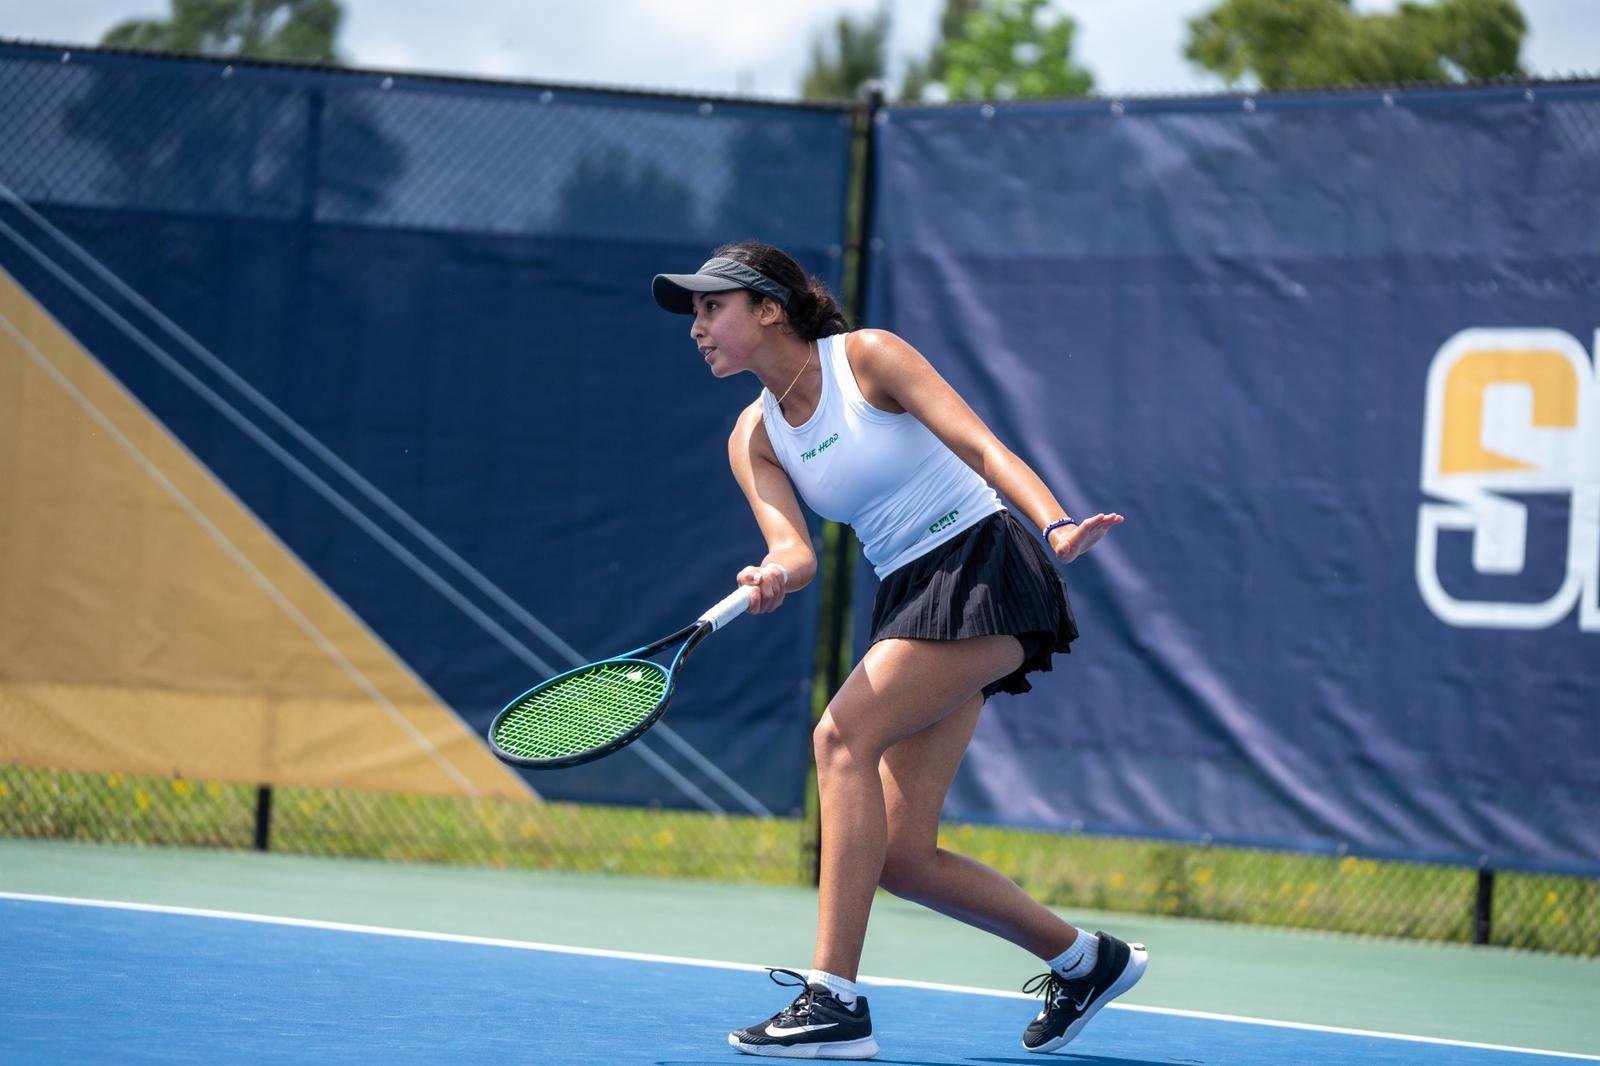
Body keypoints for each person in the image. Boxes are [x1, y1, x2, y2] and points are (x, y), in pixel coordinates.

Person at [651, 242, 1145, 1060]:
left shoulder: (868, 359)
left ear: (768, 309)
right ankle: (1087, 961)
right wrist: (770, 573)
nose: (696, 327)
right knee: (902, 857)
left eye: (712, 308)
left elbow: (983, 448)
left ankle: (833, 1000)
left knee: (839, 736)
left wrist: (1054, 520)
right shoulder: (754, 436)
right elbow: (797, 553)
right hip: (910, 595)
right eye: (694, 314)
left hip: (985, 563)